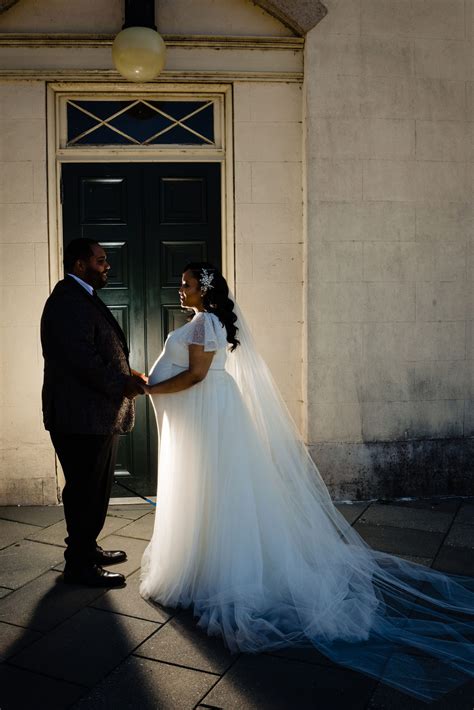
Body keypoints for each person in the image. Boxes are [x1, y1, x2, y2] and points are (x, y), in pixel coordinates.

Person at [139, 262, 473, 702]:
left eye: (185, 285)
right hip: (213, 414)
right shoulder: (209, 322)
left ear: (204, 290)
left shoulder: (205, 324)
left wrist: (150, 388)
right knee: (219, 494)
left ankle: (217, 569)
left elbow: (197, 375)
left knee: (216, 494)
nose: (179, 290)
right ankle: (205, 559)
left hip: (208, 416)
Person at [41, 238, 146, 588]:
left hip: (94, 415)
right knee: (85, 491)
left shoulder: (81, 296)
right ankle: (80, 566)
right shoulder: (68, 302)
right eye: (101, 260)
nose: (107, 266)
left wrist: (126, 377)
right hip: (79, 417)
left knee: (95, 490)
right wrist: (123, 385)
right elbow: (82, 361)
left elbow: (98, 352)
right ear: (80, 264)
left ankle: (87, 548)